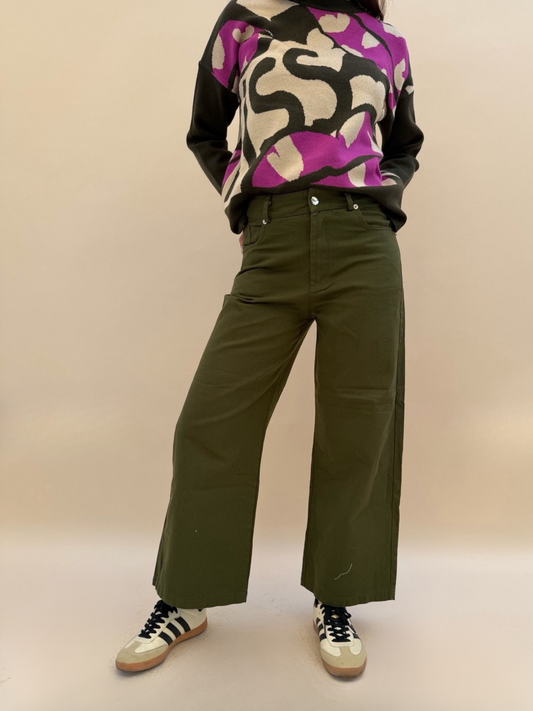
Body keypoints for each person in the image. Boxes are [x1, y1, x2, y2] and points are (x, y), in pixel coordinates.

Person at [116, 0, 424, 678]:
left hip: (363, 243)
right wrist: (243, 200)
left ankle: (337, 596)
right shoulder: (244, 23)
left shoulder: (388, 41)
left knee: (359, 425)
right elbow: (205, 132)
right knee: (209, 422)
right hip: (271, 242)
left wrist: (381, 191)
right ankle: (185, 597)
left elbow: (405, 144)